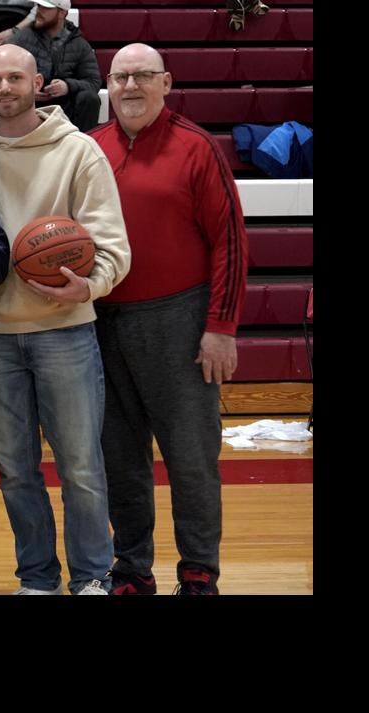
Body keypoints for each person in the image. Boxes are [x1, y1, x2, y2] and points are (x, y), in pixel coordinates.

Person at [0, 44, 129, 595]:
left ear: (38, 83)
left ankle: (94, 576)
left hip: (66, 330)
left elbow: (112, 245)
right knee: (16, 471)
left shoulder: (79, 152)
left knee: (80, 467)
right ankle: (37, 578)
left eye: (14, 78)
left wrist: (87, 285)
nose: (4, 88)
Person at [92, 44, 247, 595]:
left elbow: (229, 241)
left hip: (179, 319)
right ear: (108, 84)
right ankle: (131, 567)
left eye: (143, 76)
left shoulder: (197, 147)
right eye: (121, 76)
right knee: (120, 457)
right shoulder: (90, 148)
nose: (131, 86)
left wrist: (220, 327)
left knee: (190, 458)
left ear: (166, 82)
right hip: (101, 320)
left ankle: (199, 569)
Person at [8, 0, 99, 132]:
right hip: (31, 106)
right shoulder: (21, 38)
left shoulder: (80, 44)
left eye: (46, 8)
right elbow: (3, 73)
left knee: (89, 98)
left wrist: (67, 86)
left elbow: (93, 82)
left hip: (65, 108)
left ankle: (83, 145)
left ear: (62, 12)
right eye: (39, 6)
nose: (39, 11)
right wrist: (27, 91)